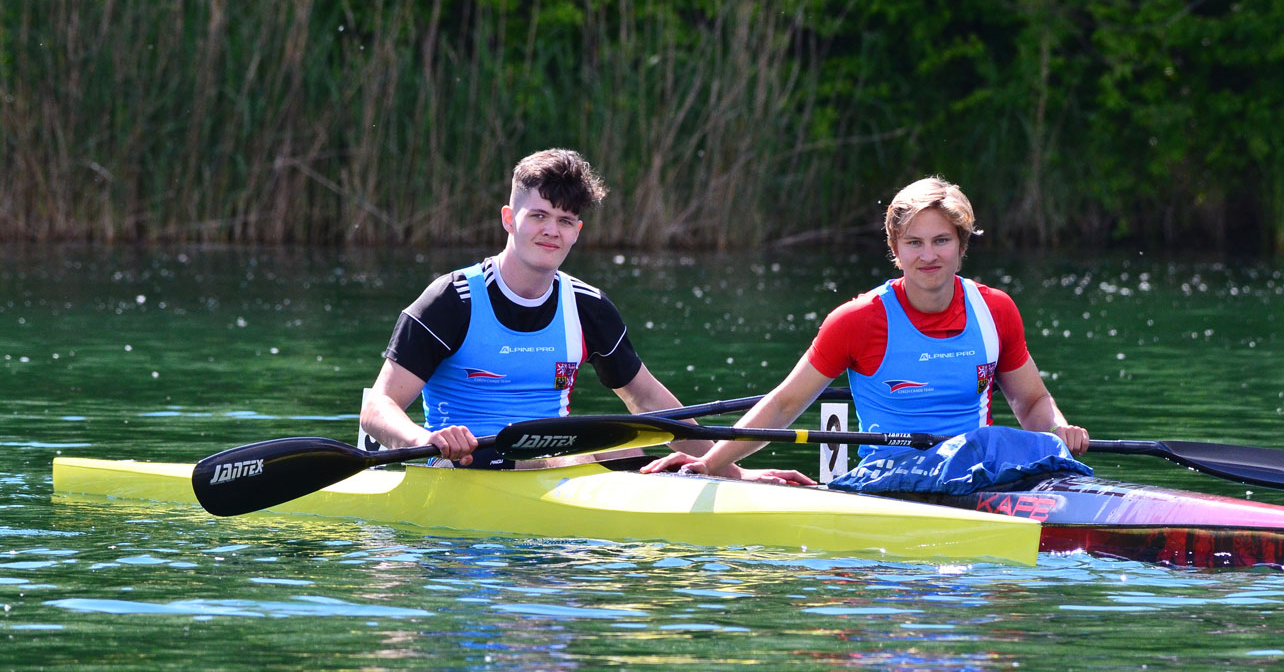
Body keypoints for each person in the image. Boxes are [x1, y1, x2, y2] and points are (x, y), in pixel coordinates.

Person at [643, 176, 1088, 484]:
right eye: (914, 243)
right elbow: (785, 404)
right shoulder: (857, 320)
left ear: (962, 245)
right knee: (995, 446)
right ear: (895, 251)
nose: (928, 256)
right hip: (890, 481)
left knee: (1008, 447)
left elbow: (1031, 401)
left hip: (981, 473)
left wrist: (1059, 431)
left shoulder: (995, 310)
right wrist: (712, 463)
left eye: (941, 241)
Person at [360, 148, 711, 467]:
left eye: (565, 221)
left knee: (627, 449)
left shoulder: (588, 308)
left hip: (553, 459)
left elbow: (649, 400)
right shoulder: (452, 300)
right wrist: (423, 440)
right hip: (462, 463)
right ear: (509, 219)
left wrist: (725, 468)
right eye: (539, 216)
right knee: (584, 455)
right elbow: (377, 408)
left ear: (577, 231)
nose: (551, 231)